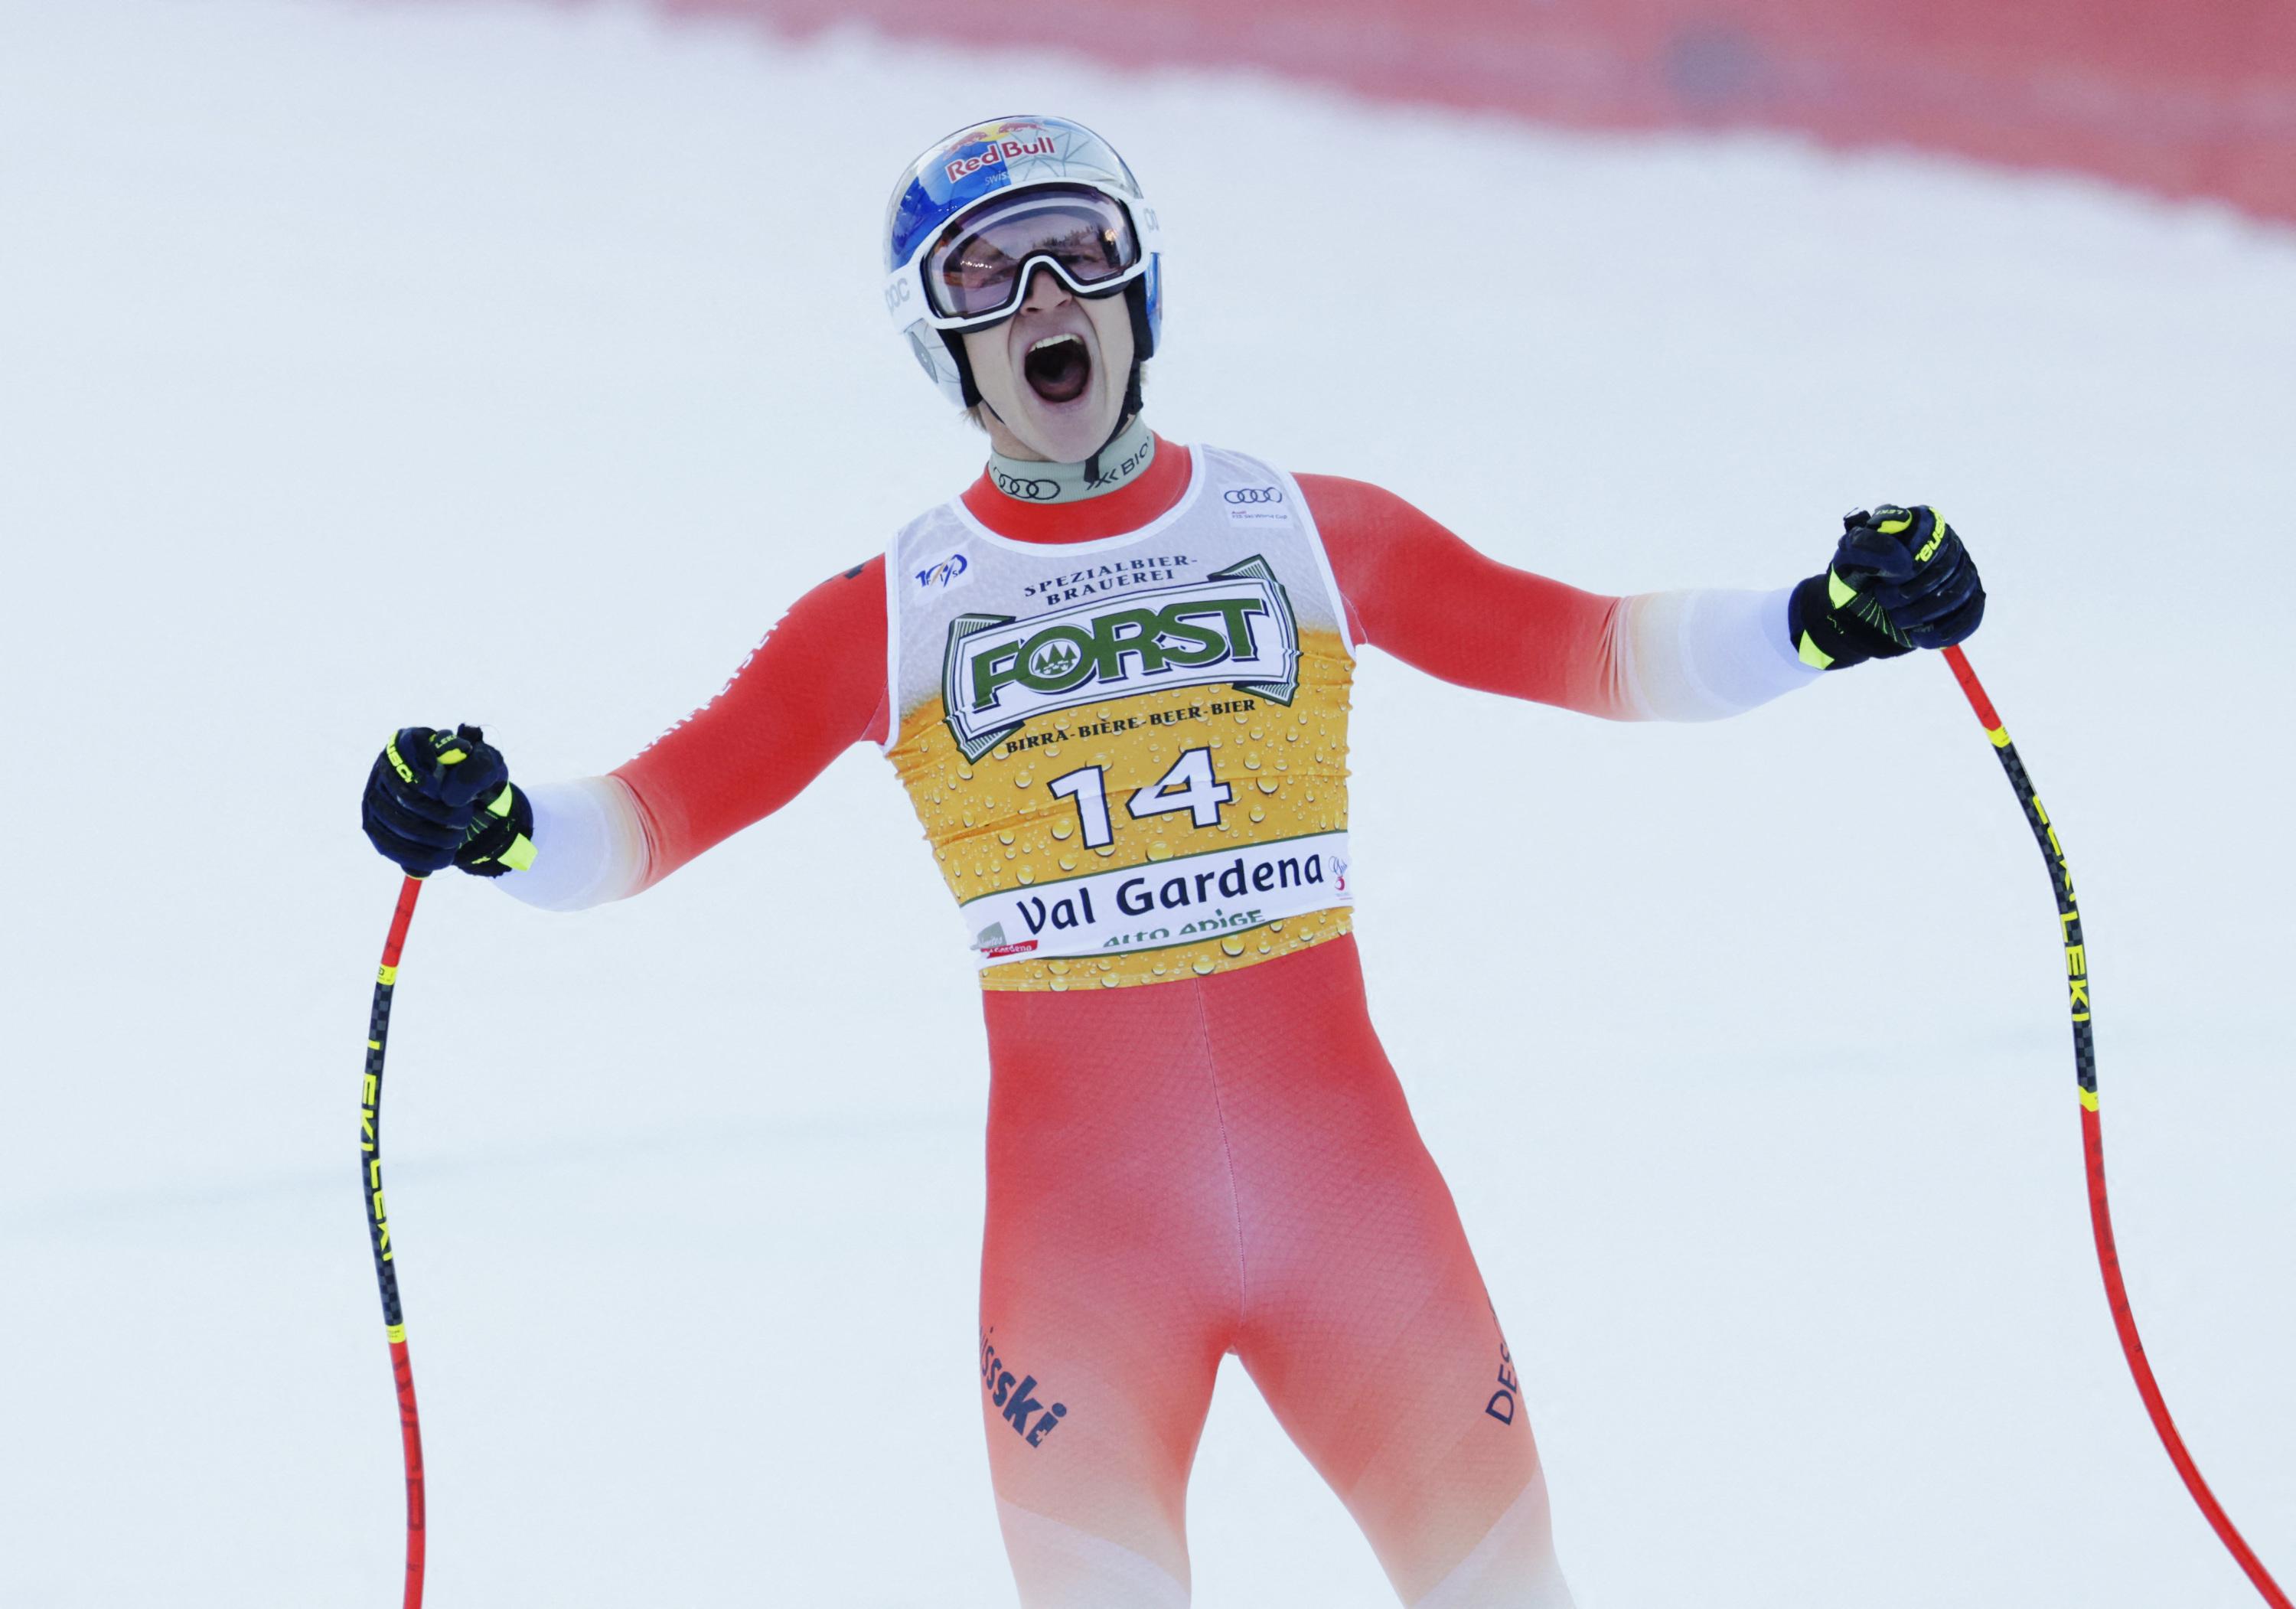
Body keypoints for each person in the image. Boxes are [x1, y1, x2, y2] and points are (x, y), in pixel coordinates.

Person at [361, 114, 1983, 1608]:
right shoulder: (890, 611)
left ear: (1143, 291)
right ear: (944, 345)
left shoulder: (1305, 529)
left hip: (1357, 1221)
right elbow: (644, 823)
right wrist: (501, 830)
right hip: (1086, 1270)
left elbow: (1592, 650)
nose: (1042, 295)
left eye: (1075, 249)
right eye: (987, 274)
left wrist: (1820, 622)